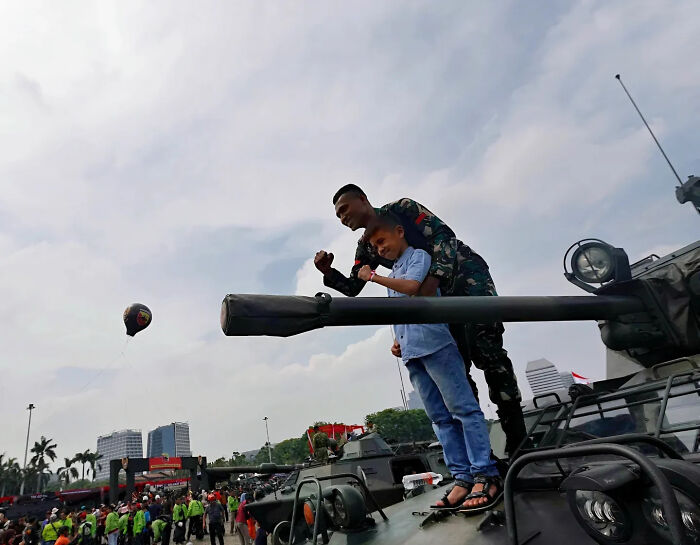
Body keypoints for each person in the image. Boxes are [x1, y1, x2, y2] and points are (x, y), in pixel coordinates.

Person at [315, 184, 527, 456]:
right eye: (338, 216)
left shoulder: (402, 210)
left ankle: (519, 442)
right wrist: (329, 272)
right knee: (456, 370)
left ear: (363, 200)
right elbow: (355, 285)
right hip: (432, 306)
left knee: (489, 354)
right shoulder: (365, 247)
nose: (342, 218)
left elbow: (444, 236)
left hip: (464, 280)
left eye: (344, 209)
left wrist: (432, 280)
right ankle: (481, 457)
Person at [359, 213, 502, 512]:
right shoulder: (394, 269)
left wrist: (372, 276)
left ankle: (485, 474)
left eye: (382, 240)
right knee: (439, 419)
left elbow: (411, 288)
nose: (380, 248)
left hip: (435, 344)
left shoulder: (418, 257)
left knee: (463, 410)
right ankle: (462, 478)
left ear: (400, 232)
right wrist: (398, 340)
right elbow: (399, 310)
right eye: (375, 245)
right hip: (412, 354)